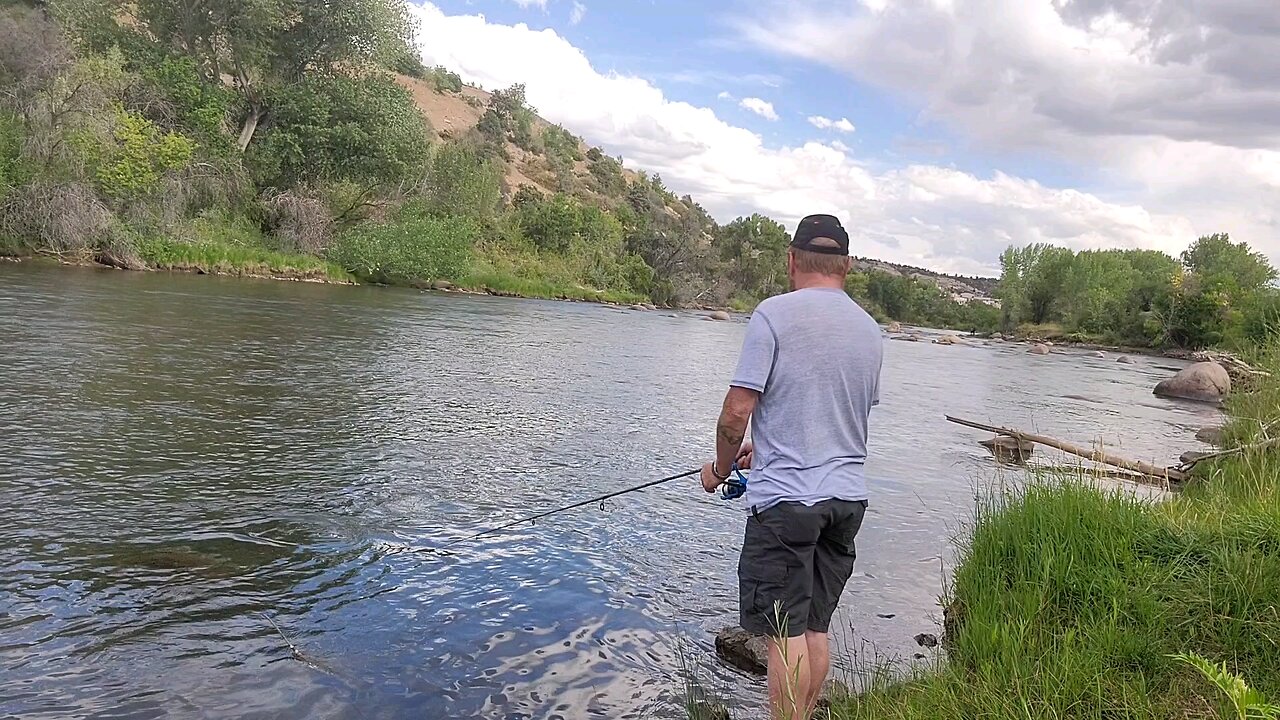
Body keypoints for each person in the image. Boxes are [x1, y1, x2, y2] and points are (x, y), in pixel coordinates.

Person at [701, 213, 883, 720]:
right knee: (815, 628)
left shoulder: (773, 315)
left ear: (791, 261)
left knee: (785, 635)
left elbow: (737, 411)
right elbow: (838, 415)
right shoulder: (871, 331)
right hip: (846, 501)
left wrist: (719, 468)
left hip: (786, 505)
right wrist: (767, 445)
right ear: (846, 265)